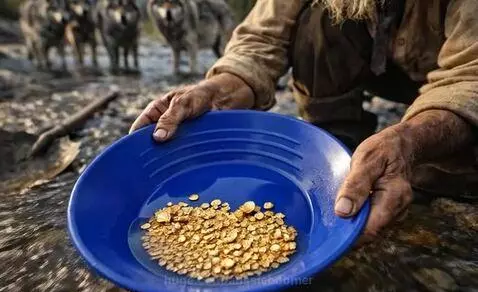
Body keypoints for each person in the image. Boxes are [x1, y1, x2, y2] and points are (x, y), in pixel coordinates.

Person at [130, 0, 477, 240]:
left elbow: (470, 75)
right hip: (364, 53)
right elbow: (260, 40)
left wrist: (410, 141)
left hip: (440, 66)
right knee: (317, 20)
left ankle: (403, 165)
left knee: (436, 177)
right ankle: (337, 150)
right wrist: (214, 91)